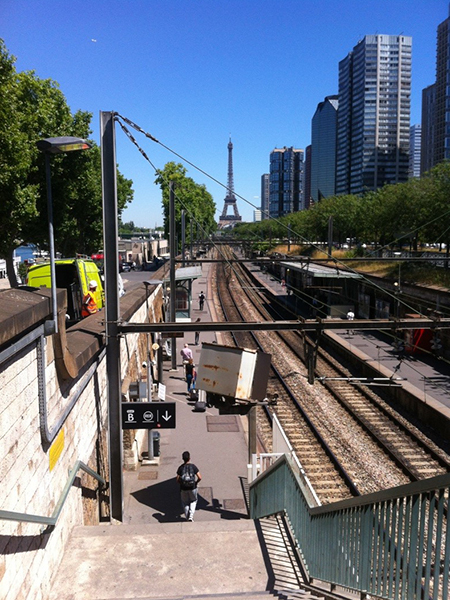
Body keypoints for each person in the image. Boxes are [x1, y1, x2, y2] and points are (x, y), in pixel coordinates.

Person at [176, 451, 201, 521]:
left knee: (185, 502)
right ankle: (191, 516)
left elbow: (177, 479)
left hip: (183, 488)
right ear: (189, 458)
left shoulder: (180, 468)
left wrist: (181, 484)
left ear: (182, 459)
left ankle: (187, 516)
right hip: (192, 487)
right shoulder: (193, 467)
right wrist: (196, 483)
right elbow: (200, 477)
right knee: (193, 500)